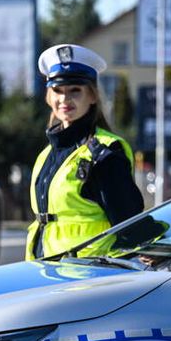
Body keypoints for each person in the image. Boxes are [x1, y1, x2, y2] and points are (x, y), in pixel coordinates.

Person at [27, 43, 143, 260]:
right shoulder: (47, 154)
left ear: (92, 96)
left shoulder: (105, 153)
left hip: (88, 277)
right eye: (58, 91)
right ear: (48, 97)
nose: (64, 99)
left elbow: (130, 222)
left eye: (75, 91)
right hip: (45, 274)